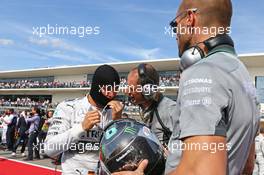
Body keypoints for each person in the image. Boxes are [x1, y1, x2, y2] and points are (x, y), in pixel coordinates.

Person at [114, 0, 259, 175]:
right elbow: (248, 167)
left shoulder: (203, 71)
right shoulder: (245, 79)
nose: (175, 34)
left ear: (189, 19)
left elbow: (202, 172)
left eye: (175, 25)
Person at [43, 65, 124, 175]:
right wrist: (81, 128)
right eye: (108, 89)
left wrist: (118, 124)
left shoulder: (115, 113)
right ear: (97, 86)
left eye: (115, 90)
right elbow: (49, 148)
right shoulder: (68, 107)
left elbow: (120, 154)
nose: (112, 94)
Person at [126, 63, 176, 147]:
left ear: (147, 89)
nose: (127, 92)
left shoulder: (170, 109)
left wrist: (171, 153)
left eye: (131, 88)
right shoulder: (144, 109)